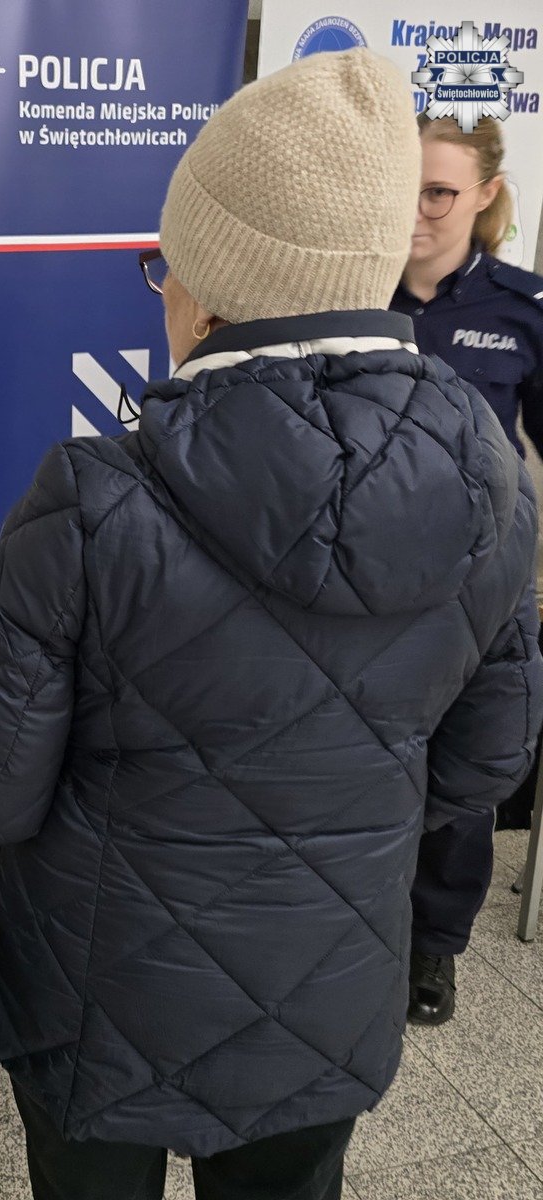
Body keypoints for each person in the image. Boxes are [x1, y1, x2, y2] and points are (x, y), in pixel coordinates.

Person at [0, 50, 543, 1200]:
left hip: (97, 1005)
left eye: (164, 267)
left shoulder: (92, 500)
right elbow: (483, 772)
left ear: (207, 288)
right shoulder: (498, 495)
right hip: (328, 998)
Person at [390, 114, 543, 1027]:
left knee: (464, 772)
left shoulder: (521, 310)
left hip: (475, 587)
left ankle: (434, 948)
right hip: (356, 582)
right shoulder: (348, 290)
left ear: (483, 195)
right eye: (403, 187)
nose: (418, 210)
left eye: (439, 191)